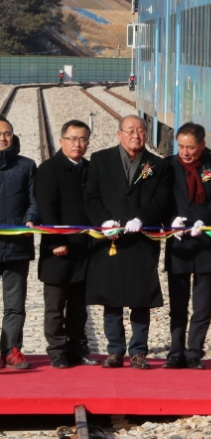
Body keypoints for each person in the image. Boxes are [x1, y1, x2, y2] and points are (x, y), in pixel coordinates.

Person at [85, 115, 172, 369]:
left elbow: (162, 198)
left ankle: (138, 351)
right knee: (110, 297)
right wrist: (104, 222)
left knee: (140, 297)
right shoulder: (100, 160)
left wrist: (142, 219)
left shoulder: (157, 165)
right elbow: (90, 196)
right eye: (130, 130)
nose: (136, 135)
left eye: (141, 130)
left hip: (141, 240)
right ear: (119, 133)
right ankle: (114, 351)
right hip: (109, 240)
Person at [163, 123, 211, 370]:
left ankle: (194, 352)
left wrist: (206, 220)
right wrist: (171, 221)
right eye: (181, 146)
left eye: (191, 147)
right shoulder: (168, 166)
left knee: (202, 304)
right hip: (179, 240)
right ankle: (175, 351)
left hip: (205, 241)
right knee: (178, 303)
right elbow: (162, 198)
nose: (185, 152)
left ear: (202, 144)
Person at [35, 120, 97, 368]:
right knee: (55, 305)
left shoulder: (91, 169)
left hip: (84, 247)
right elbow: (47, 209)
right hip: (58, 250)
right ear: (61, 141)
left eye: (82, 139)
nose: (77, 144)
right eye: (72, 139)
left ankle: (77, 348)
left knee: (79, 305)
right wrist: (55, 241)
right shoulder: (49, 169)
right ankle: (57, 351)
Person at [0, 116, 39, 370]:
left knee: (15, 305)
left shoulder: (26, 166)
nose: (3, 138)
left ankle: (12, 350)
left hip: (16, 246)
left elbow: (35, 200)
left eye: (7, 134)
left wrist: (30, 219)